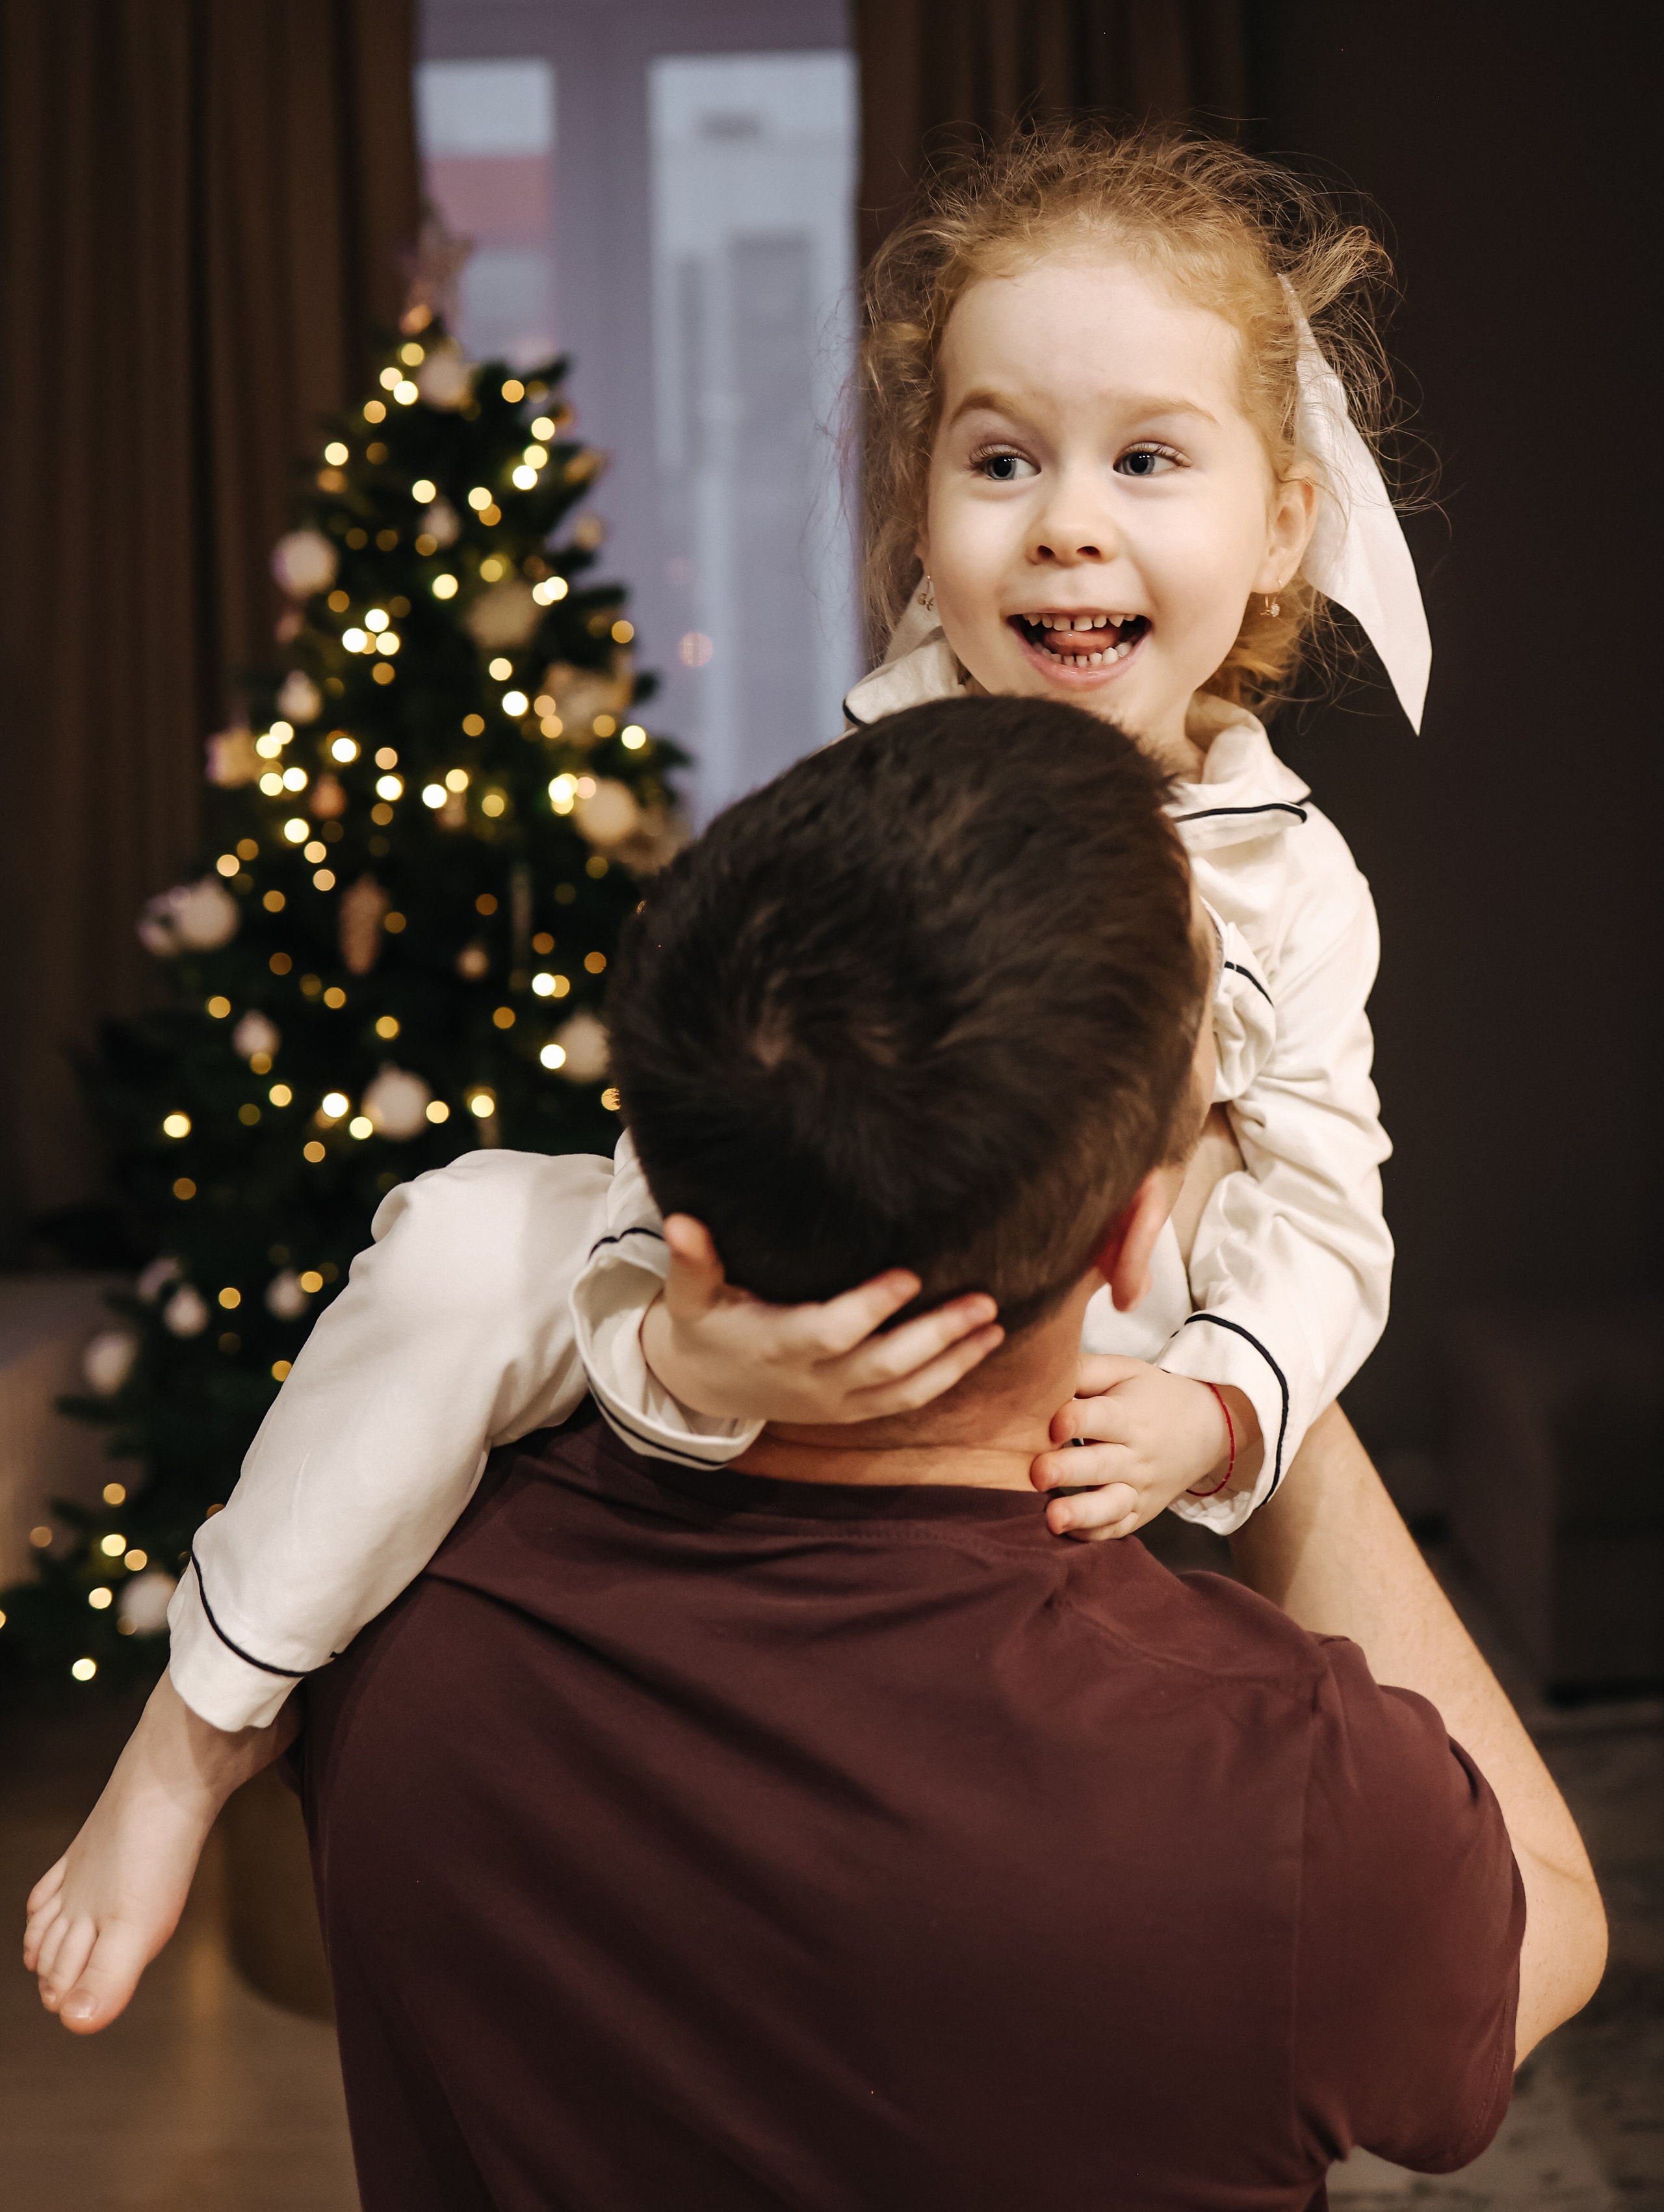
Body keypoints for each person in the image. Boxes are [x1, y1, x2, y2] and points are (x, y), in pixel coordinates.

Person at [31, 121, 1413, 2029]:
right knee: (454, 1242)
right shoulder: (847, 808)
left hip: (1105, 1353)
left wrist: (1223, 1402)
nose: (1068, 522)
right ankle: (194, 1733)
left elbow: (1333, 1205)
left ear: (1278, 524)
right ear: (921, 513)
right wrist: (696, 1363)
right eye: (1001, 459)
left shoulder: (1296, 882)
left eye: (1147, 460)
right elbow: (672, 1160)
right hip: (774, 1306)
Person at [302, 698, 1602, 2209]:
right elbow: (1552, 1933)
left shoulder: (394, 1617)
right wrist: (1262, 1360)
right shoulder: (1285, 1795)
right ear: (1132, 1235)